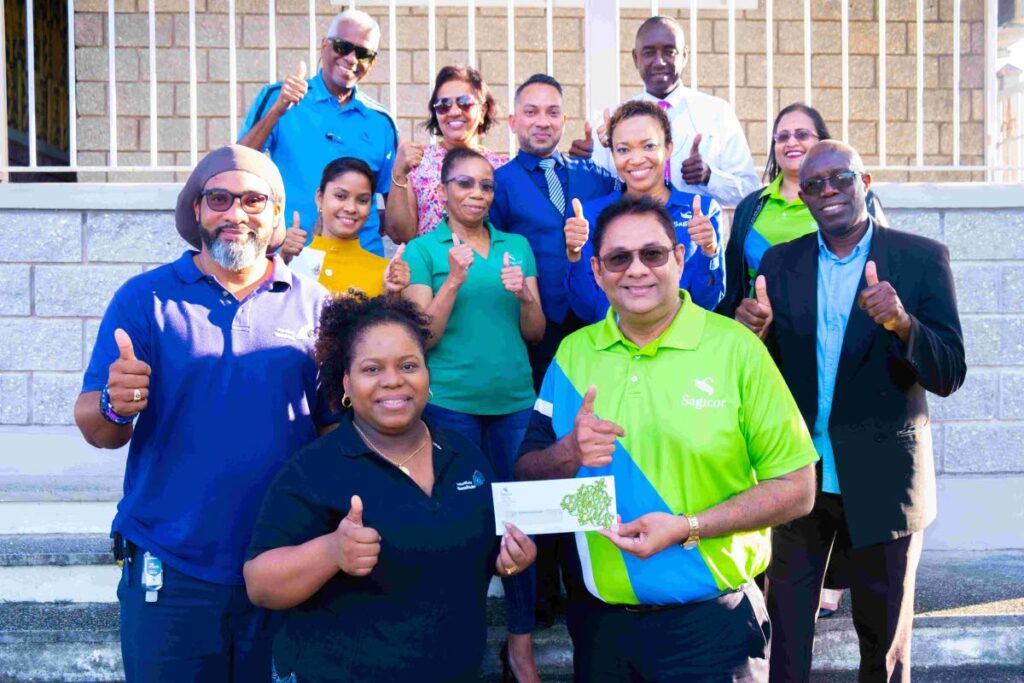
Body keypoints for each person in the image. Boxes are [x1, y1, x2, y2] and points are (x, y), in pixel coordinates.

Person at [516, 194, 819, 681]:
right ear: (596, 271)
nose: (636, 270)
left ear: (680, 258)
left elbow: (798, 488)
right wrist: (568, 452)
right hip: (601, 630)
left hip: (713, 628)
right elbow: (526, 470)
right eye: (619, 258)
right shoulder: (573, 354)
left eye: (653, 254)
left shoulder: (736, 349)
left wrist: (687, 527)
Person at [73, 145, 337, 680]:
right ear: (196, 211)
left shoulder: (316, 306)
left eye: (253, 200)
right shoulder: (146, 299)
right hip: (170, 567)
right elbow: (98, 427)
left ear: (277, 214)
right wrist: (113, 403)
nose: (235, 214)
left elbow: (334, 431)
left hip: (283, 562)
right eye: (218, 198)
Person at [736, 141, 966, 682]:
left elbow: (950, 371)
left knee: (882, 642)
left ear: (864, 182)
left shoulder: (920, 258)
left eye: (839, 178)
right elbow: (762, 368)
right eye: (813, 184)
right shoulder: (779, 262)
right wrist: (755, 333)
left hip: (885, 480)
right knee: (787, 636)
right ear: (802, 194)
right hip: (798, 475)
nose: (827, 191)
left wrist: (905, 324)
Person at [244, 293, 538, 683]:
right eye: (372, 369)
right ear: (346, 382)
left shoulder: (465, 456)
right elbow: (259, 584)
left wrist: (511, 558)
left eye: (408, 365)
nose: (393, 380)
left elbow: (477, 552)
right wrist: (331, 551)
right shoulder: (314, 469)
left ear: (426, 375)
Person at [401, 147, 545, 683]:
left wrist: (524, 297)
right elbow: (423, 337)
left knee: (521, 524)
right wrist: (456, 278)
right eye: (465, 184)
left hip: (513, 404)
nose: (478, 194)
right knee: (462, 523)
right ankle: (458, 639)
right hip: (450, 407)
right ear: (442, 191)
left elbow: (534, 331)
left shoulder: (517, 247)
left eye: (486, 185)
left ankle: (521, 646)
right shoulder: (423, 250)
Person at [487, 72, 618, 654]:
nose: (543, 121)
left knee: (586, 448)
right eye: (531, 112)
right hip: (533, 335)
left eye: (553, 112)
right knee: (538, 456)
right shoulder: (499, 183)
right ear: (513, 121)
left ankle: (583, 580)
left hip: (589, 328)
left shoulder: (590, 176)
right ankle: (540, 591)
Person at [238, 9, 397, 256]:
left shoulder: (381, 122)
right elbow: (237, 164)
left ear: (372, 62)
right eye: (343, 46)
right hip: (295, 254)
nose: (352, 58)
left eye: (364, 53)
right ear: (324, 46)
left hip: (363, 261)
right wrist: (278, 110)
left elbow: (393, 208)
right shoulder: (279, 98)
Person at [717, 103, 886, 318]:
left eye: (802, 134)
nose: (792, 142)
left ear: (821, 141)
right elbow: (734, 281)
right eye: (782, 137)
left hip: (839, 323)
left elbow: (883, 262)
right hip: (762, 330)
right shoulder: (751, 206)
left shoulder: (855, 198)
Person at [568, 15, 758, 207]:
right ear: (636, 58)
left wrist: (709, 176)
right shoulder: (611, 121)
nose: (659, 62)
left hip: (696, 233)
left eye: (670, 51)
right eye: (649, 53)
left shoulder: (717, 113)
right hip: (630, 233)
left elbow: (750, 193)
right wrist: (583, 167)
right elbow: (596, 195)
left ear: (684, 56)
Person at [565, 100, 724, 323]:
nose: (637, 159)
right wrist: (575, 255)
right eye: (623, 149)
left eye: (649, 146)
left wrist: (709, 251)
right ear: (612, 153)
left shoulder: (702, 211)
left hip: (683, 347)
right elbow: (588, 309)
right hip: (617, 347)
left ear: (668, 148)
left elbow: (707, 303)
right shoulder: (590, 216)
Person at [385, 65, 509, 241]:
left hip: (488, 266)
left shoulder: (502, 166)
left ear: (482, 111)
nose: (454, 111)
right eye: (443, 105)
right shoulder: (418, 162)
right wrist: (398, 172)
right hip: (431, 267)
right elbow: (400, 235)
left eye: (464, 103)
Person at [279, 157, 410, 297]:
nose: (351, 208)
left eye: (362, 200)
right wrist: (282, 263)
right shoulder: (291, 260)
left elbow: (386, 318)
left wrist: (391, 294)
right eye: (340, 196)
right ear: (319, 198)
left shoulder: (385, 272)